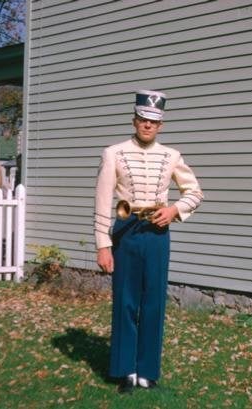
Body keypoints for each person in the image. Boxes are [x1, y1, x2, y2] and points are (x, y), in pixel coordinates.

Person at [94, 90, 203, 393]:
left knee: (153, 301)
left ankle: (148, 371)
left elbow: (195, 192)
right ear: (134, 120)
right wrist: (103, 245)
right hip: (126, 232)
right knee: (126, 301)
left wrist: (174, 210)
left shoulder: (172, 156)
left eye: (152, 122)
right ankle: (125, 370)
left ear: (160, 125)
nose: (147, 125)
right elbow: (103, 202)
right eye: (142, 120)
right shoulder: (113, 153)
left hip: (157, 235)